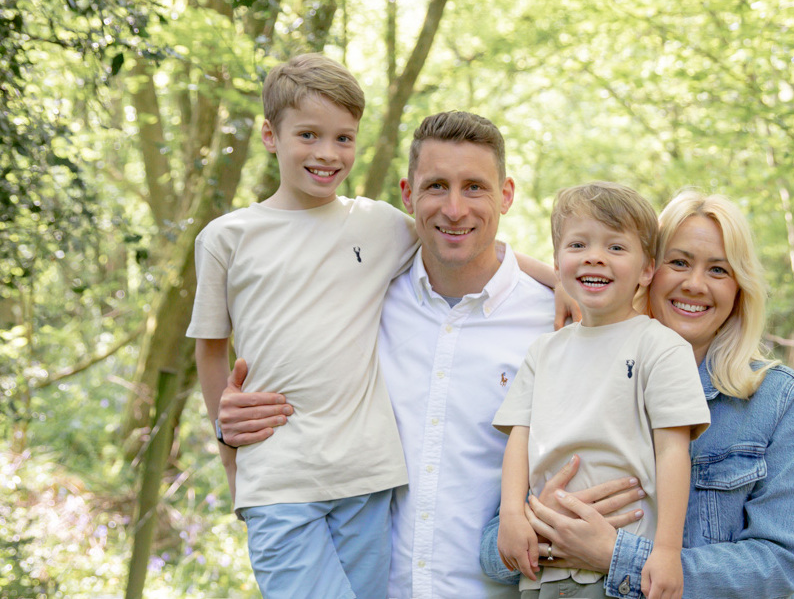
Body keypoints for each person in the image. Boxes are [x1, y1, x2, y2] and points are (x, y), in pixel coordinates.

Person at [215, 112, 614, 597]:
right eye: (436, 186)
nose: (454, 209)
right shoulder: (364, 299)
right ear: (407, 194)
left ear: (506, 195)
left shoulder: (557, 324)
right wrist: (230, 426)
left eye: (474, 188)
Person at [481, 189, 794, 598]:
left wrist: (617, 556)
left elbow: (780, 566)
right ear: (652, 269)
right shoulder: (565, 359)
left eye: (718, 270)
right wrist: (547, 525)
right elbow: (492, 552)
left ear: (739, 287)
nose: (694, 284)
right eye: (679, 262)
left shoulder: (778, 398)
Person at [187, 53, 418, 598]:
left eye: (343, 138)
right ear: (270, 135)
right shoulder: (226, 239)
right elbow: (211, 351)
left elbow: (470, 252)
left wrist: (562, 284)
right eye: (308, 134)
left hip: (367, 475)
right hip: (278, 477)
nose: (327, 153)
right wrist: (230, 456)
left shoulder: (380, 224)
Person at [494, 182, 711, 599]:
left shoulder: (660, 347)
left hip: (618, 574)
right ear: (557, 264)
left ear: (647, 270)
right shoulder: (543, 351)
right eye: (578, 244)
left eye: (615, 247)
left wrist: (667, 551)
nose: (594, 256)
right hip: (543, 569)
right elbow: (519, 438)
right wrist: (511, 515)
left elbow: (673, 451)